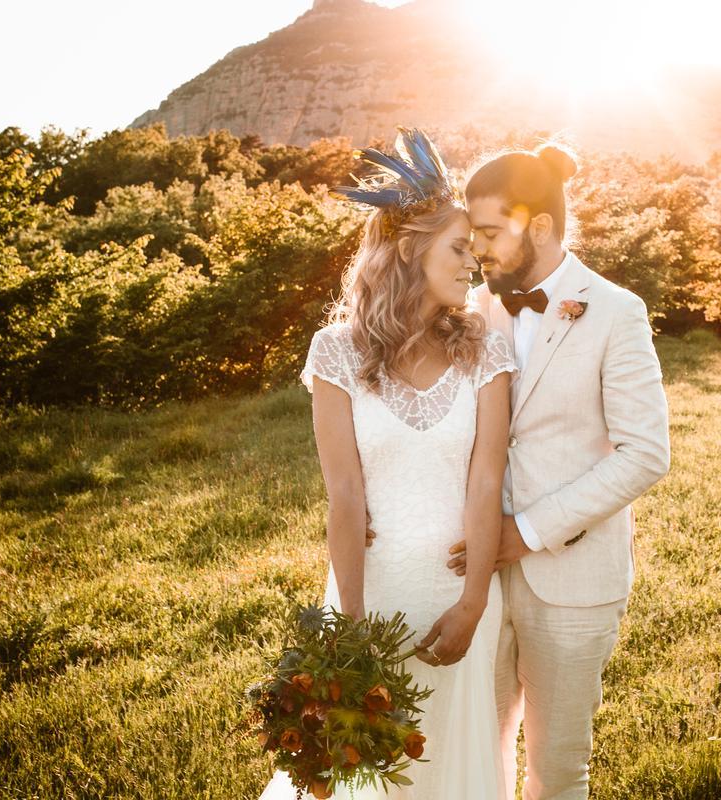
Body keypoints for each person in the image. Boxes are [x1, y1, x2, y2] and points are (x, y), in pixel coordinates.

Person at [260, 127, 514, 799]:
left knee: (451, 768)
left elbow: (487, 480)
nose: (473, 265)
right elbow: (344, 494)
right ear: (410, 250)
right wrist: (352, 627)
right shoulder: (336, 351)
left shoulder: (485, 349)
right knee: (365, 777)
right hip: (371, 596)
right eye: (459, 249)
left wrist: (473, 600)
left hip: (458, 604)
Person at [447, 142, 671, 799]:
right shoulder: (469, 310)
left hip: (574, 578)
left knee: (559, 769)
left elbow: (646, 452)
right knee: (473, 757)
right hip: (474, 581)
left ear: (537, 228)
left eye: (488, 233)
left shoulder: (615, 311)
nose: (475, 249)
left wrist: (533, 530)